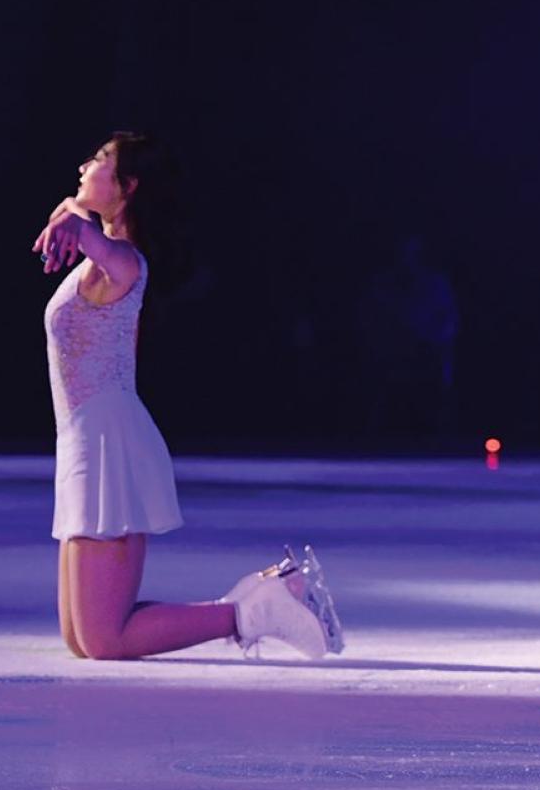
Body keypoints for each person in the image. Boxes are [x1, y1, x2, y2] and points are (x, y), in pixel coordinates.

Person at [35, 132, 343, 660]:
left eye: (99, 161)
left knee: (104, 641)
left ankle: (254, 610)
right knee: (82, 640)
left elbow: (103, 247)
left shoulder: (126, 262)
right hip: (85, 440)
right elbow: (88, 238)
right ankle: (265, 595)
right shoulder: (100, 258)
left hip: (108, 445)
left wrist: (70, 214)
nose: (84, 166)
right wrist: (71, 214)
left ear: (128, 186)